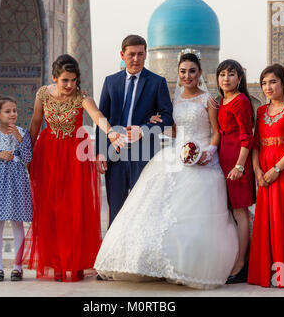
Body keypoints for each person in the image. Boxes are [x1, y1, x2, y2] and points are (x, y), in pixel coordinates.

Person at [94, 51, 239, 289]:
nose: (187, 76)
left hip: (201, 159)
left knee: (190, 214)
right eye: (183, 72)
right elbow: (173, 129)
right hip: (175, 154)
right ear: (178, 74)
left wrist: (207, 153)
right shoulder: (177, 98)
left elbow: (216, 132)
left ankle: (188, 266)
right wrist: (156, 125)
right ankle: (156, 263)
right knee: (156, 210)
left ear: (200, 73)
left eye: (192, 71)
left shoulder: (209, 100)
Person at [22, 54, 126, 282]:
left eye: (74, 80)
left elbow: (97, 115)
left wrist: (110, 131)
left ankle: (75, 263)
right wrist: (27, 157)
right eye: (65, 80)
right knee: (51, 209)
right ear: (54, 78)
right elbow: (35, 125)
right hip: (47, 154)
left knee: (73, 209)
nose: (70, 86)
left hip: (74, 155)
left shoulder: (82, 96)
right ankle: (57, 263)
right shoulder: (42, 94)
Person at [95, 35, 173, 226]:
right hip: (116, 156)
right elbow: (101, 118)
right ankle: (114, 254)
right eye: (131, 54)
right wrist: (100, 152)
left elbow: (167, 117)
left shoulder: (157, 82)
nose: (136, 59)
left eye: (140, 54)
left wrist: (145, 129)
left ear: (146, 54)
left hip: (144, 156)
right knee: (116, 210)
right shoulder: (110, 82)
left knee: (144, 209)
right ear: (122, 55)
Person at [248, 64, 284, 288]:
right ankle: (268, 274)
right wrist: (258, 171)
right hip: (264, 176)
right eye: (264, 83)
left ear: (283, 83)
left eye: (273, 82)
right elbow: (255, 144)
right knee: (267, 223)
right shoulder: (261, 112)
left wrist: (277, 169)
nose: (268, 87)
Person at [0, 96, 32, 282]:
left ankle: (17, 267)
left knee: (18, 223)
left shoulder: (23, 133)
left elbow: (27, 157)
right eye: (7, 111)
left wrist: (19, 138)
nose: (12, 114)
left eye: (14, 111)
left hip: (17, 181)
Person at [216, 59, 256, 283]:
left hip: (237, 164)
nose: (226, 79)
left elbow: (246, 136)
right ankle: (237, 258)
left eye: (231, 74)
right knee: (231, 211)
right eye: (222, 74)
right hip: (224, 161)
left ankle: (241, 263)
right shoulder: (222, 100)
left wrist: (240, 166)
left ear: (239, 79)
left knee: (241, 213)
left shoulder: (240, 101)